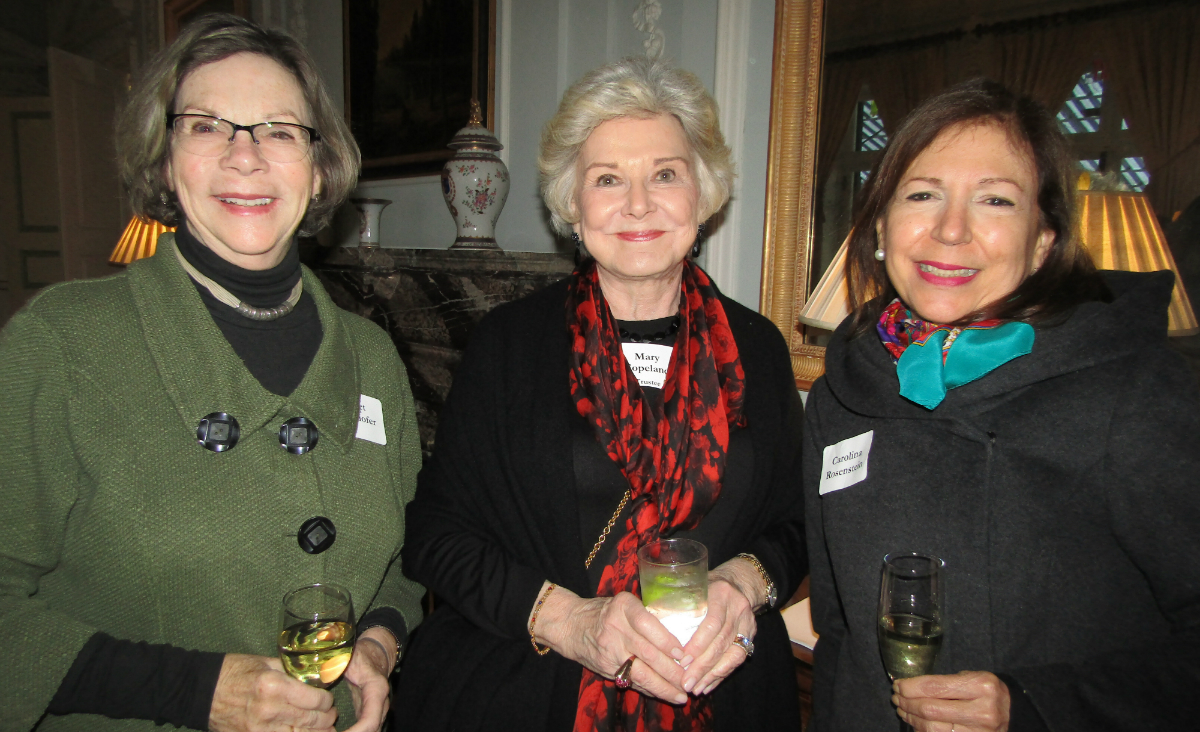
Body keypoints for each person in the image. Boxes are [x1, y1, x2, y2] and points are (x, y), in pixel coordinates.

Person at [0, 14, 424, 732]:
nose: (246, 157)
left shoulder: (372, 357)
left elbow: (406, 559)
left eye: (280, 131)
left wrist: (379, 644)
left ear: (319, 169)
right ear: (165, 159)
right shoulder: (61, 344)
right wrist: (197, 691)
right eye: (208, 126)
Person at [394, 57, 807, 731]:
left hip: (722, 693)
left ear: (702, 196)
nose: (638, 204)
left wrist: (745, 582)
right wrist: (570, 620)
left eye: (665, 175)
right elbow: (435, 534)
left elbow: (797, 524)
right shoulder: (507, 346)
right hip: (530, 691)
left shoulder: (757, 349)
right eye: (608, 178)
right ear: (573, 206)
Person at [803, 78, 1200, 731]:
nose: (950, 230)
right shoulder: (842, 395)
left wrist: (1035, 705)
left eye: (994, 200)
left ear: (1042, 242)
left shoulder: (1129, 391)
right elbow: (842, 637)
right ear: (879, 225)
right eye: (923, 194)